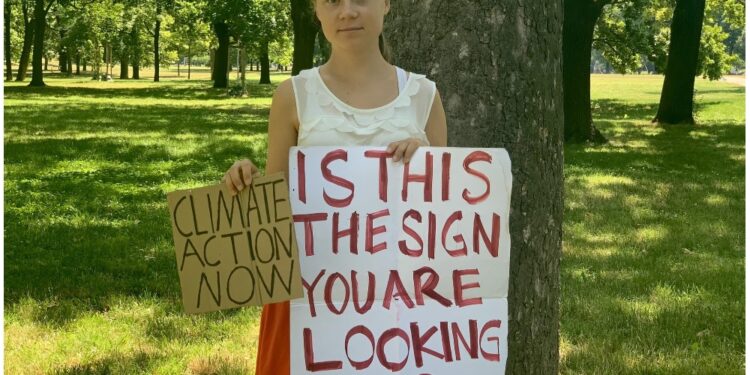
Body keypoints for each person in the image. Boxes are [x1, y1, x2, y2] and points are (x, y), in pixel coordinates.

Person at [222, 0, 447, 373]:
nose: (347, 12)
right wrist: (246, 182)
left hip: (399, 302)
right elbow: (274, 209)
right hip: (312, 297)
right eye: (332, 1)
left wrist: (429, 164)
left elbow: (446, 220)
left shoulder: (424, 97)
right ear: (316, 10)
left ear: (386, 3)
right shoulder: (293, 95)